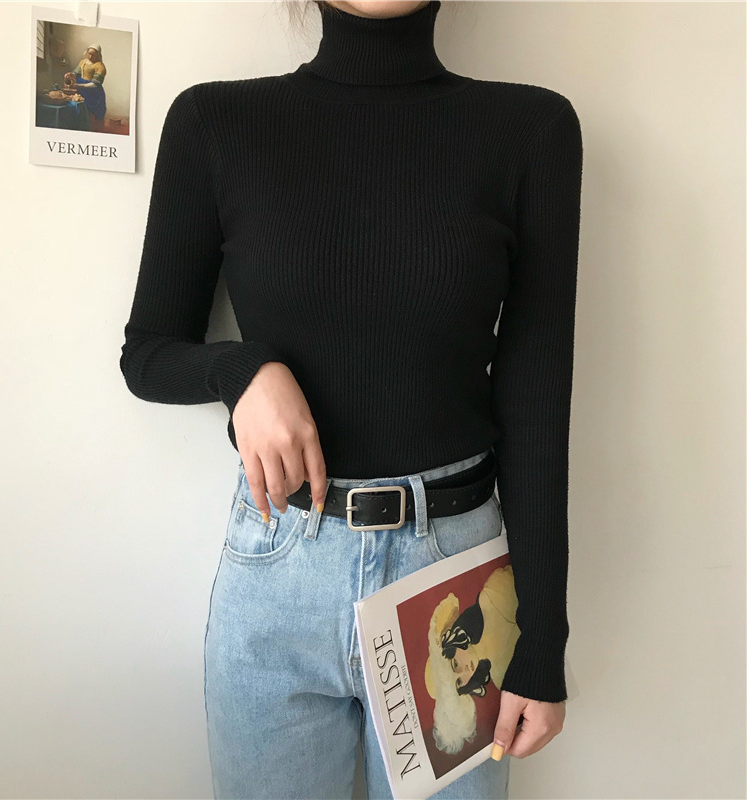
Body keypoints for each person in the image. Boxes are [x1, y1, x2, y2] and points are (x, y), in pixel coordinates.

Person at [119, 1, 583, 797]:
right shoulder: (214, 124)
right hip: (279, 569)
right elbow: (148, 354)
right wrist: (240, 371)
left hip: (455, 591)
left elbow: (537, 405)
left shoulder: (531, 132)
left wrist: (543, 640)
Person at [66, 44, 107, 132]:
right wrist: (70, 74)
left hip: (94, 93)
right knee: (81, 111)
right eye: (89, 54)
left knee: (93, 115)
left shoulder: (100, 66)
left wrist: (79, 85)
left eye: (93, 55)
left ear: (98, 55)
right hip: (81, 91)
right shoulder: (83, 62)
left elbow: (95, 84)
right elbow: (76, 73)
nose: (90, 56)